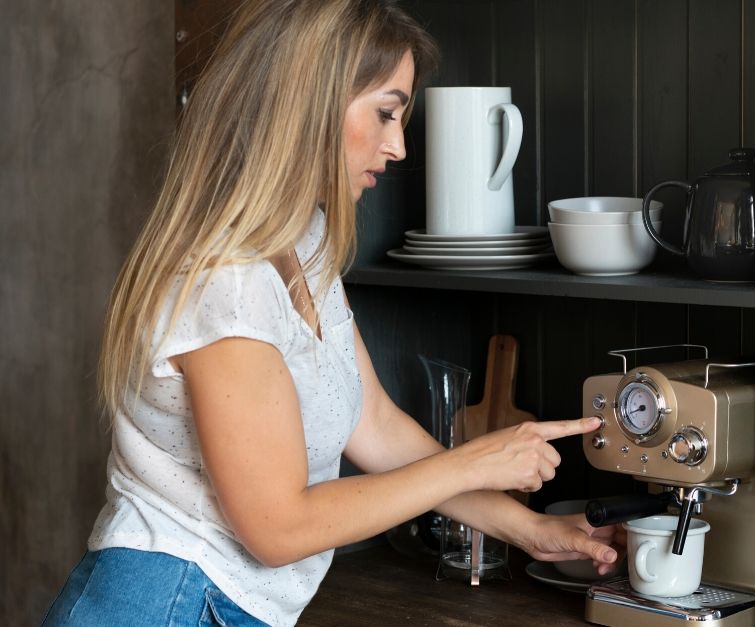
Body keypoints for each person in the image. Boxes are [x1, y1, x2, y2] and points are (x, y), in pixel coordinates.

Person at [42, 1, 623, 625]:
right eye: (386, 113)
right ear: (309, 102)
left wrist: (529, 529)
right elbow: (279, 527)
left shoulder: (303, 241)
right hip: (166, 602)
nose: (398, 146)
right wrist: (473, 461)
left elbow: (375, 425)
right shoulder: (227, 284)